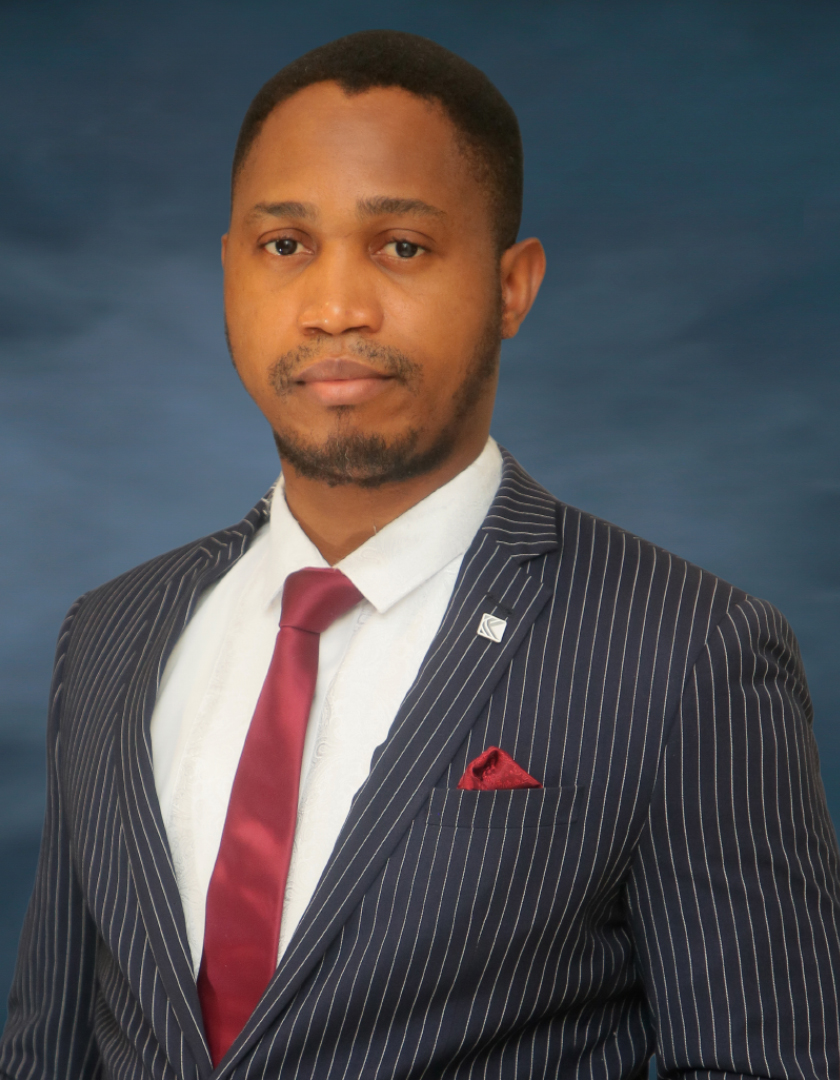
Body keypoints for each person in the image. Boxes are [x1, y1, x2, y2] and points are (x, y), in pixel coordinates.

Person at [1, 28, 839, 1080]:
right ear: (229, 273)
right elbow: (50, 1051)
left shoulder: (690, 653)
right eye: (285, 246)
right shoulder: (112, 634)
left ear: (511, 287)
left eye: (401, 245)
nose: (336, 307)